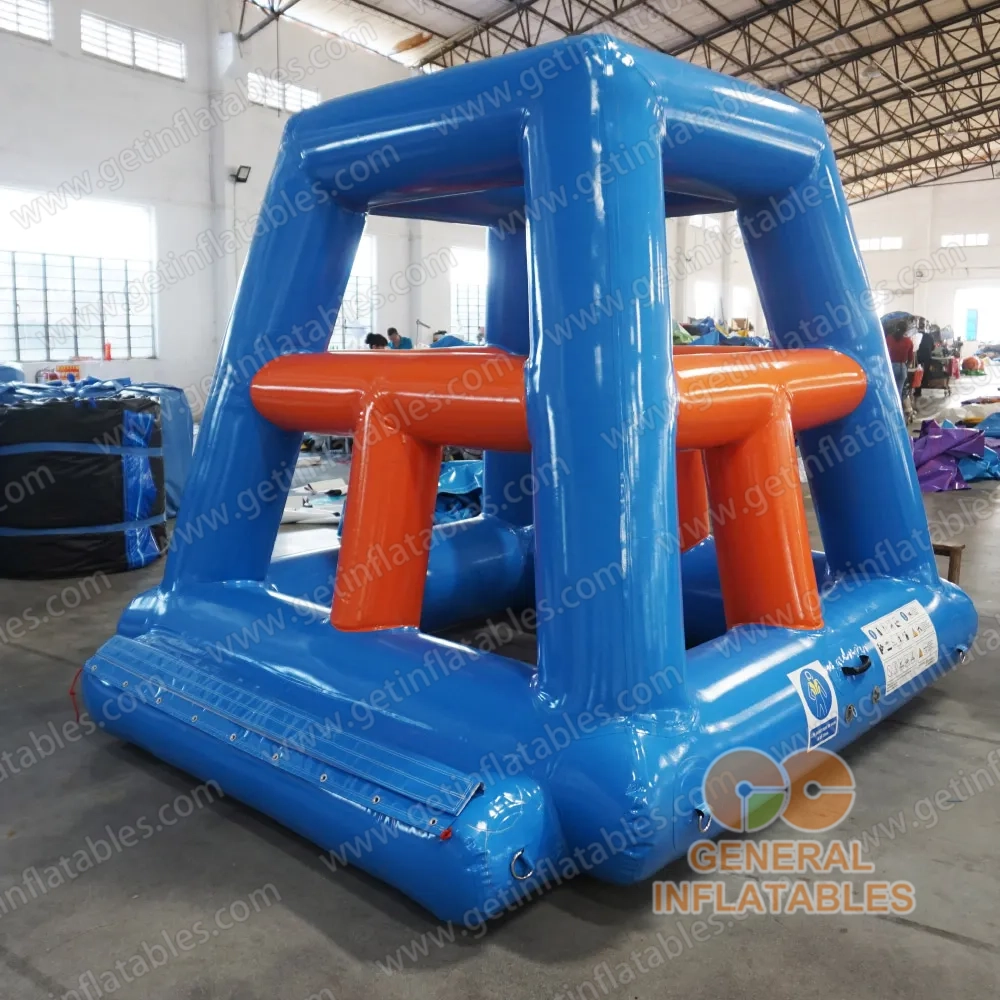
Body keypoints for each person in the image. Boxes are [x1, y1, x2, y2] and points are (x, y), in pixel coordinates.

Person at [884, 322, 913, 396]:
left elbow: (883, 353)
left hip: (890, 366)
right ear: (906, 330)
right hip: (902, 367)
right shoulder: (908, 341)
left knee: (889, 389)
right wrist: (905, 367)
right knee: (899, 391)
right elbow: (910, 359)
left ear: (896, 328)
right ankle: (898, 402)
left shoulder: (888, 339)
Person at [913, 325, 937, 398]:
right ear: (925, 328)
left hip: (918, 357)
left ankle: (918, 391)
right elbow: (933, 347)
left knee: (918, 373)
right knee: (925, 372)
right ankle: (925, 386)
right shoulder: (929, 336)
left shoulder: (916, 336)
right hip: (927, 357)